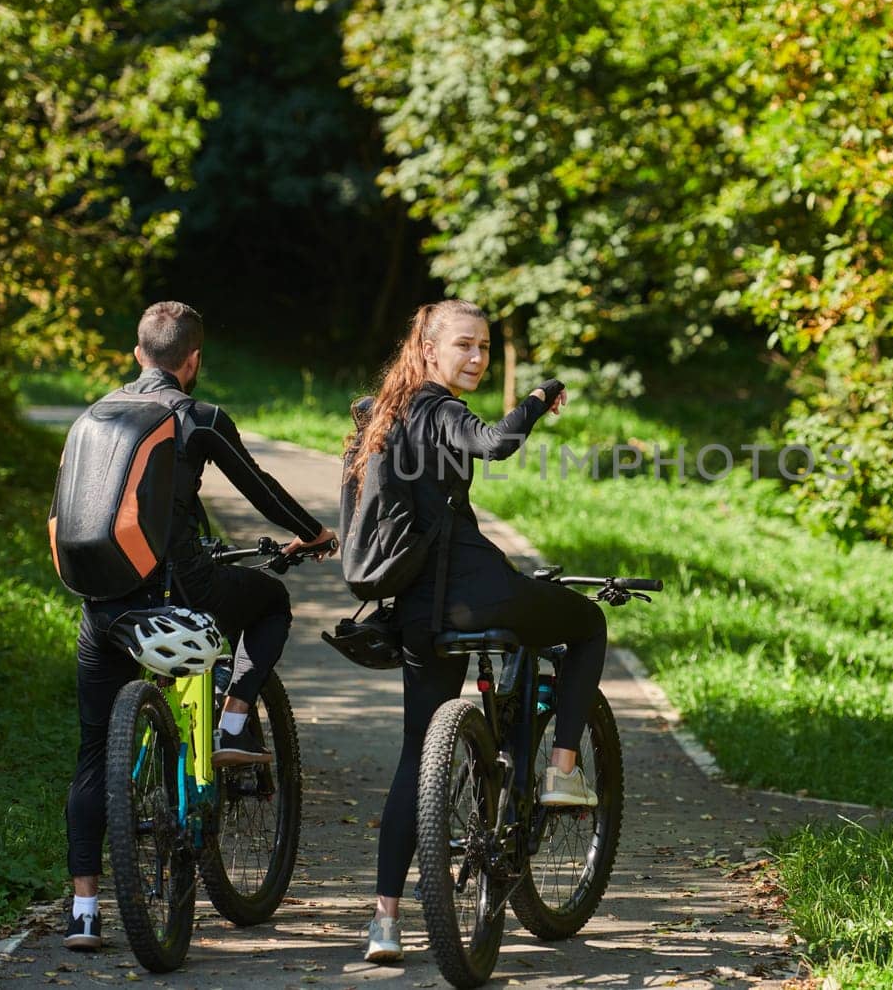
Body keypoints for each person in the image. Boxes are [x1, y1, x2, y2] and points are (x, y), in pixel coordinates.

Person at [62, 301, 337, 951]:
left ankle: (84, 912)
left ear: (138, 355)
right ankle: (237, 713)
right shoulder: (198, 416)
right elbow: (259, 486)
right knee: (268, 601)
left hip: (102, 607)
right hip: (183, 594)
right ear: (192, 362)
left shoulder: (96, 414)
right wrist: (314, 533)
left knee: (94, 754)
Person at [345, 299, 608, 964]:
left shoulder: (385, 415)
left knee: (414, 757)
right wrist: (540, 397)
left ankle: (384, 922)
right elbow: (495, 444)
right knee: (587, 622)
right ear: (429, 351)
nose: (476, 358)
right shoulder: (436, 408)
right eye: (464, 345)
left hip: (414, 613)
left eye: (484, 348)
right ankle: (562, 772)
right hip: (471, 597)